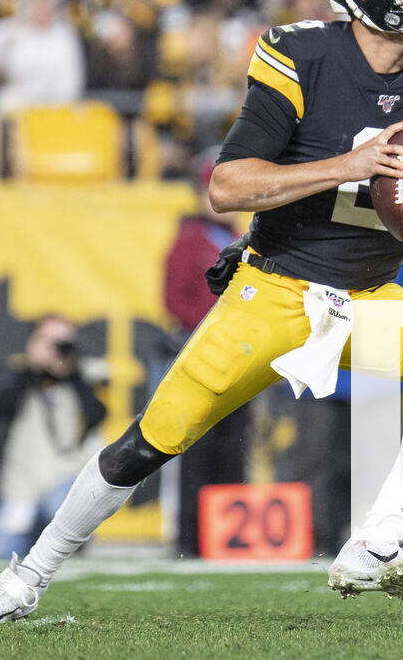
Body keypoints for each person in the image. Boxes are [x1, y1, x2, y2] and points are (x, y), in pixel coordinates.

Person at [0, 0, 403, 622]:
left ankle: (376, 541)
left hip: (368, 295)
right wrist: (348, 166)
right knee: (150, 441)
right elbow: (227, 186)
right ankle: (26, 577)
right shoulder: (301, 56)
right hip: (276, 288)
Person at [162, 160, 249, 557]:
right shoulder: (189, 241)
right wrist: (213, 328)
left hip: (238, 358)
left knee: (233, 448)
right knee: (196, 448)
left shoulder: (240, 238)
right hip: (203, 354)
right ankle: (191, 539)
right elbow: (174, 300)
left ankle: (228, 537)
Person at [0, 315, 106, 559]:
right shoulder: (20, 377)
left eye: (62, 343)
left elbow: (97, 414)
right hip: (21, 488)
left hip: (65, 485)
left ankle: (63, 544)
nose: (55, 349)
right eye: (47, 340)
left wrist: (70, 374)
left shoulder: (85, 377)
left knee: (58, 509)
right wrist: (33, 369)